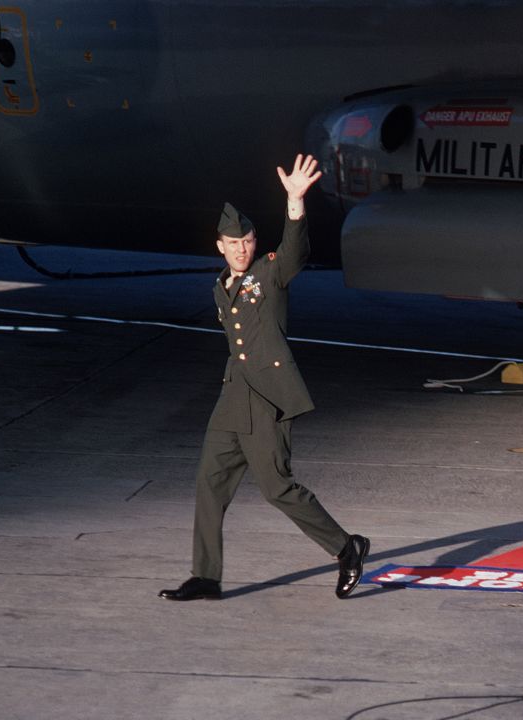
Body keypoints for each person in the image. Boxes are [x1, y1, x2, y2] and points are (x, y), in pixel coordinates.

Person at [160, 154, 369, 601]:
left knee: (277, 488)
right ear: (220, 245)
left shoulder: (269, 274)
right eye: (234, 242)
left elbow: (295, 252)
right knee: (209, 482)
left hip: (268, 399)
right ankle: (206, 576)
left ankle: (345, 547)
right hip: (234, 396)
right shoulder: (221, 285)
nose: (242, 248)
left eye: (249, 240)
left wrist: (295, 203)